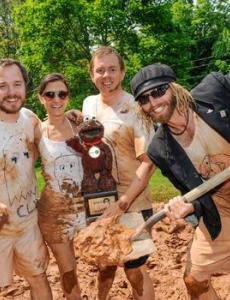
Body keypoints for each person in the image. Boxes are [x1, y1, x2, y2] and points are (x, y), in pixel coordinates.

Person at [107, 63, 230, 300]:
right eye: (144, 99)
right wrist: (190, 206)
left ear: (174, 87)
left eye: (158, 91)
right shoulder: (160, 150)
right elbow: (194, 192)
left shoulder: (215, 90)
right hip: (223, 211)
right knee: (194, 280)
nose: (153, 102)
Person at [82, 46, 155, 300]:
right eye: (100, 70)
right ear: (92, 74)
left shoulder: (137, 108)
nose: (106, 75)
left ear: (122, 72)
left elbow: (149, 163)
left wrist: (123, 204)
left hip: (132, 202)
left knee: (136, 270)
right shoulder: (89, 103)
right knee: (105, 264)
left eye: (112, 69)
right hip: (100, 202)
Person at [0, 59, 52, 299]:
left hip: (27, 223)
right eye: (2, 86)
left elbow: (53, 140)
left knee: (38, 277)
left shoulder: (30, 119)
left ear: (25, 86)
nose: (11, 92)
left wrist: (69, 118)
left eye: (17, 84)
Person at [37, 73, 86, 300]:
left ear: (68, 97)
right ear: (41, 98)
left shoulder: (81, 125)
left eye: (62, 94)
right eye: (50, 94)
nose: (56, 99)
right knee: (69, 272)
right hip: (54, 215)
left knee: (105, 263)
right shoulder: (36, 131)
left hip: (84, 208)